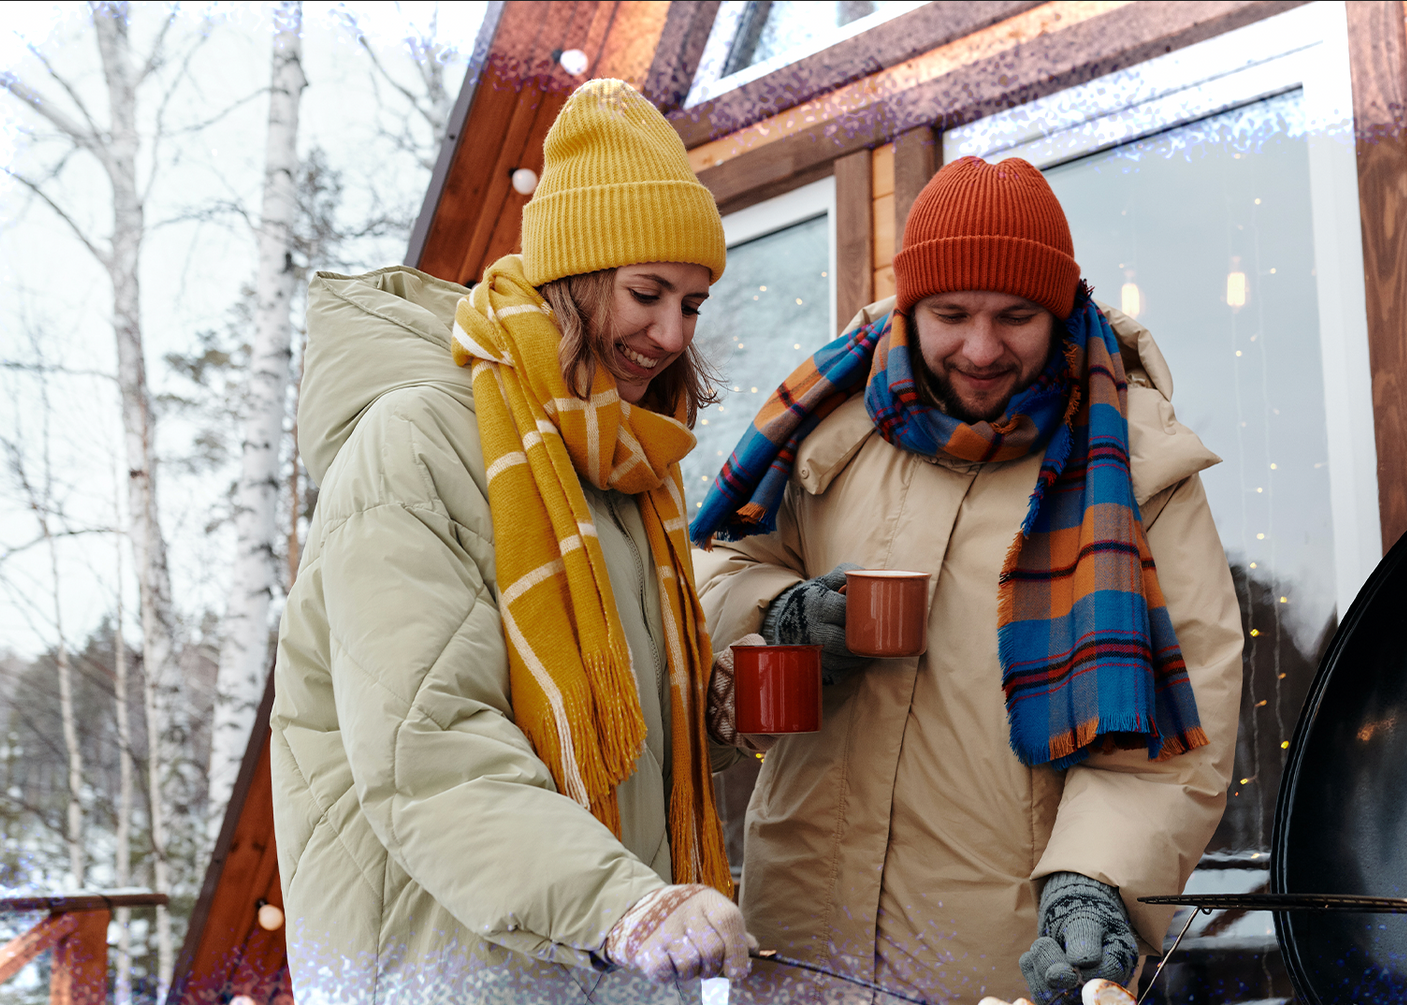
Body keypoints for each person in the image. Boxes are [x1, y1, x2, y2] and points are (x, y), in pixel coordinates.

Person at [690, 156, 1245, 1004]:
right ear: (912, 307)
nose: (981, 350)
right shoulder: (828, 423)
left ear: (1057, 310)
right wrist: (783, 620)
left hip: (1000, 957)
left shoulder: (1138, 464)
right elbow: (715, 574)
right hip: (798, 940)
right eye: (951, 315)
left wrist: (1095, 879)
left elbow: (1179, 729)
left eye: (1015, 317)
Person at [270, 79, 752, 1004]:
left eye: (692, 304)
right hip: (442, 965)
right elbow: (430, 747)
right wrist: (623, 903)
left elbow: (603, 731)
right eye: (647, 292)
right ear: (569, 280)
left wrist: (711, 709)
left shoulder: (618, 464)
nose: (669, 333)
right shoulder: (418, 441)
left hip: (590, 965)